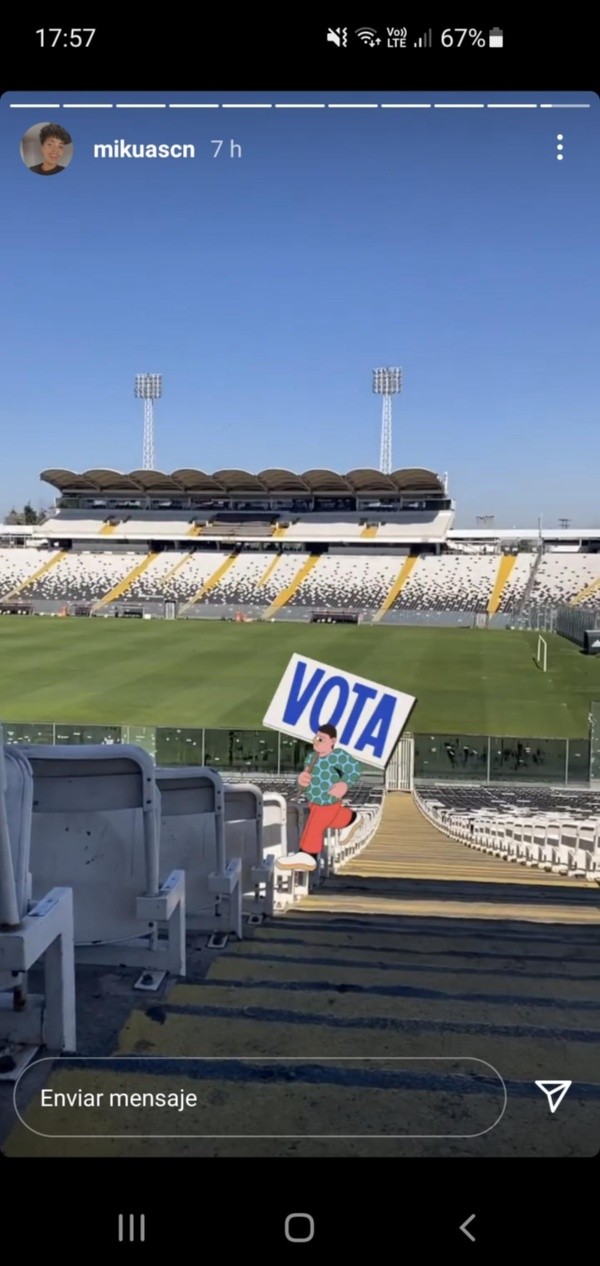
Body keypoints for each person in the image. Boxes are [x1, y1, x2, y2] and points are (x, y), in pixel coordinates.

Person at [277, 723, 363, 872]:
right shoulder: (311, 758)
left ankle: (307, 855)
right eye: (316, 738)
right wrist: (300, 781)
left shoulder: (338, 756)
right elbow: (305, 779)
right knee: (324, 820)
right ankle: (351, 818)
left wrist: (345, 784)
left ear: (332, 741)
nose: (317, 741)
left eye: (321, 739)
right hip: (313, 800)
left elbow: (355, 769)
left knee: (315, 823)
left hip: (328, 799)